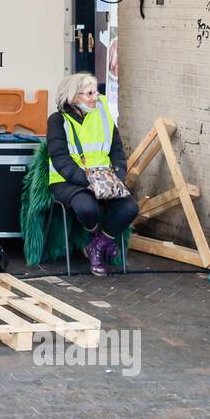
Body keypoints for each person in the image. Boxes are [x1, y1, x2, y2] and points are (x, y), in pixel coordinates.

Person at [46, 72, 139, 276]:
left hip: (104, 179)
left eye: (96, 92)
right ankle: (100, 240)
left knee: (130, 207)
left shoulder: (103, 113)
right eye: (89, 93)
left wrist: (118, 176)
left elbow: (117, 150)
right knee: (87, 208)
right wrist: (86, 181)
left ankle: (98, 245)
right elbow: (60, 158)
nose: (95, 96)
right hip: (68, 181)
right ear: (73, 97)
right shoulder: (57, 121)